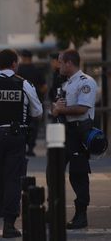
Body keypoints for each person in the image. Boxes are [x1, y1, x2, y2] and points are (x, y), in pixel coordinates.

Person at [0, 49, 43, 238]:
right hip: (15, 137)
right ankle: (9, 226)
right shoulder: (24, 84)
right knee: (12, 180)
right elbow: (37, 112)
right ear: (14, 64)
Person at [51, 49, 97, 229]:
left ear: (69, 63)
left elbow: (82, 108)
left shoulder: (86, 82)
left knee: (78, 174)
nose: (58, 65)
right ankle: (53, 211)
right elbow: (57, 106)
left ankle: (81, 215)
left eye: (61, 62)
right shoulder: (66, 83)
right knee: (53, 172)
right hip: (64, 132)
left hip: (78, 134)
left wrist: (61, 110)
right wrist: (55, 110)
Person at [17, 49, 47, 157]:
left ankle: (23, 146)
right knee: (34, 126)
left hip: (21, 103)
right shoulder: (37, 70)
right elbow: (44, 88)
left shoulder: (18, 70)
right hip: (35, 102)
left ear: (23, 58)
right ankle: (31, 148)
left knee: (22, 124)